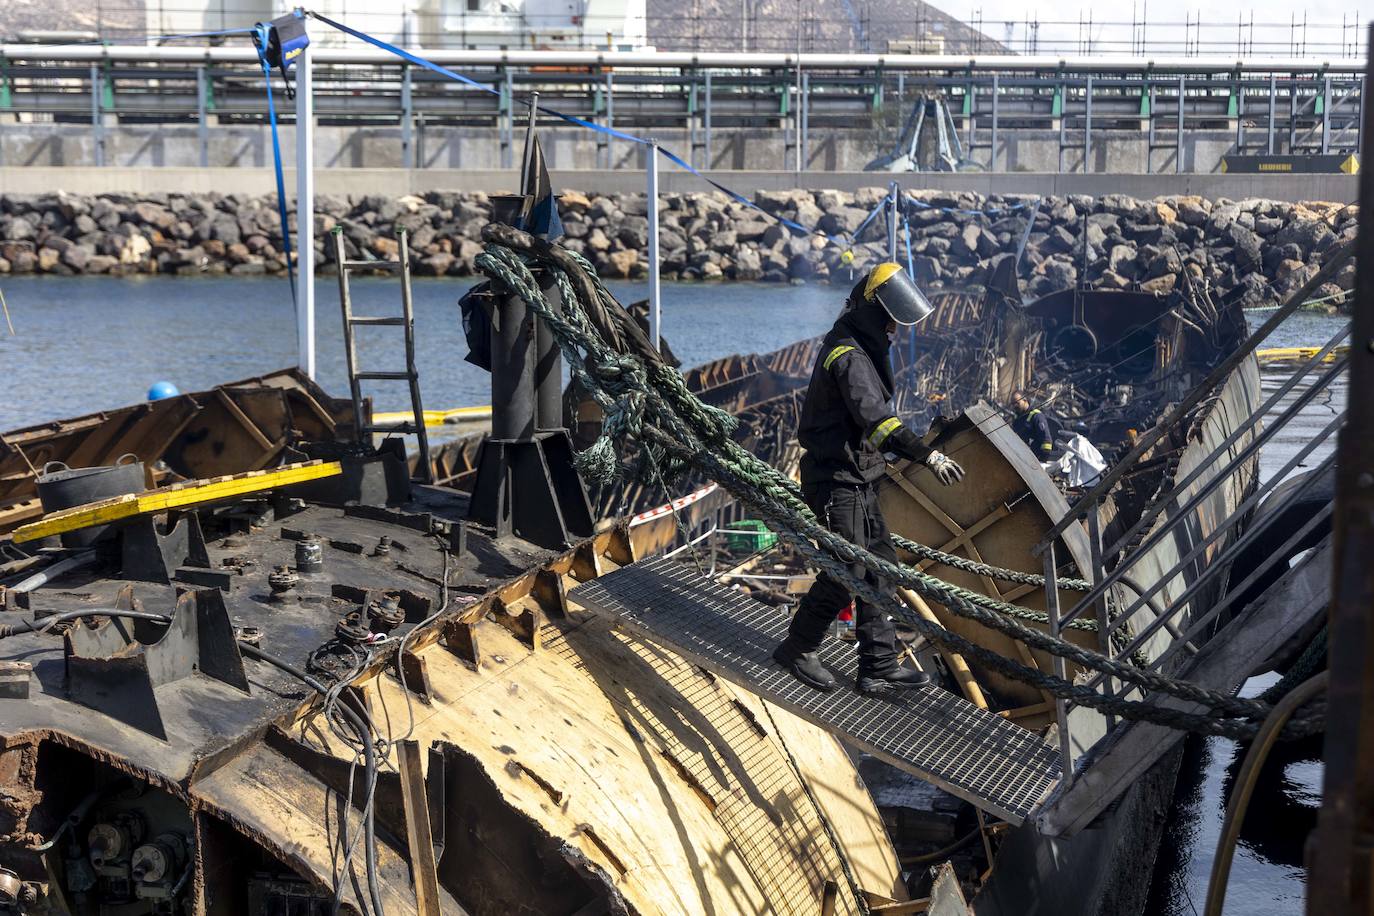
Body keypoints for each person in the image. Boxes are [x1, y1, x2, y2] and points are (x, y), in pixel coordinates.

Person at [772, 262, 965, 696]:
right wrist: (927, 455)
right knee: (847, 569)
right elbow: (877, 422)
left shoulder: (858, 345)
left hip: (860, 478)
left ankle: (878, 665)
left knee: (880, 571)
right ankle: (798, 648)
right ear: (874, 312)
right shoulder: (850, 356)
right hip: (836, 481)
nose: (894, 330)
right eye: (891, 320)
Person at [1010, 389, 1055, 459]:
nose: (1014, 406)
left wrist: (1042, 458)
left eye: (1017, 403)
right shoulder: (1017, 419)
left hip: (1035, 458)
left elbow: (1046, 441)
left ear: (1025, 400)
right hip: (1020, 458)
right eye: (1013, 404)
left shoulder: (1037, 416)